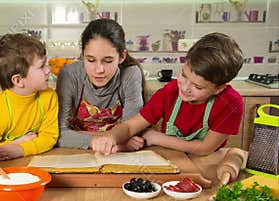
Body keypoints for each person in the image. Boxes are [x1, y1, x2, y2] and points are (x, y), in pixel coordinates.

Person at [90, 32, 244, 156]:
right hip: (170, 157)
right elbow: (130, 127)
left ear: (219, 88)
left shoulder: (231, 104)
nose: (185, 87)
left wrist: (156, 137)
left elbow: (205, 148)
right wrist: (111, 137)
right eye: (183, 75)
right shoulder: (170, 92)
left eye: (197, 86)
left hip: (205, 160)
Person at [56, 18, 146, 151]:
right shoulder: (69, 74)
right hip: (75, 152)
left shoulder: (130, 74)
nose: (99, 70)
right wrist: (107, 142)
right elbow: (58, 134)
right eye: (91, 60)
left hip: (115, 156)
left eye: (108, 61)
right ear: (82, 55)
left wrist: (79, 137)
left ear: (122, 57)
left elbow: (132, 131)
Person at [0, 33, 58, 161]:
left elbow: (49, 137)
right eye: (41, 66)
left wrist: (22, 149)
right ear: (18, 80)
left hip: (32, 160)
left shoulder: (49, 97)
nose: (48, 70)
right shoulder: (0, 112)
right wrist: (15, 144)